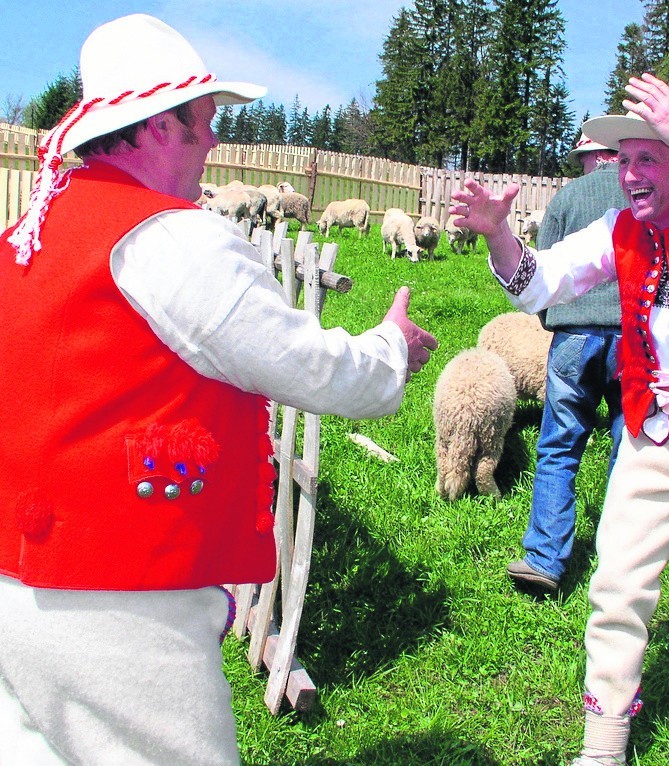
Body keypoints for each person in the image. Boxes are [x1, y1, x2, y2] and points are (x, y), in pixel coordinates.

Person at [0, 14, 437, 766]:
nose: (211, 142)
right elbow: (306, 364)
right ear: (157, 127)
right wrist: (391, 349)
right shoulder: (170, 240)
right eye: (202, 122)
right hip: (124, 605)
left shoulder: (27, 236)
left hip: (22, 590)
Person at [451, 73, 669, 765]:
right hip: (651, 432)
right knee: (616, 586)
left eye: (645, 159)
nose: (628, 174)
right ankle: (604, 743)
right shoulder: (619, 226)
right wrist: (500, 233)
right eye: (622, 162)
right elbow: (540, 282)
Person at [507, 134, 628, 593]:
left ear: (596, 156)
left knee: (559, 444)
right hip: (630, 338)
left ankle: (545, 558)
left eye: (582, 158)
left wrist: (548, 320)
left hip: (575, 336)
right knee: (630, 447)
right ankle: (620, 559)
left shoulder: (566, 199)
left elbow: (544, 269)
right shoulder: (643, 193)